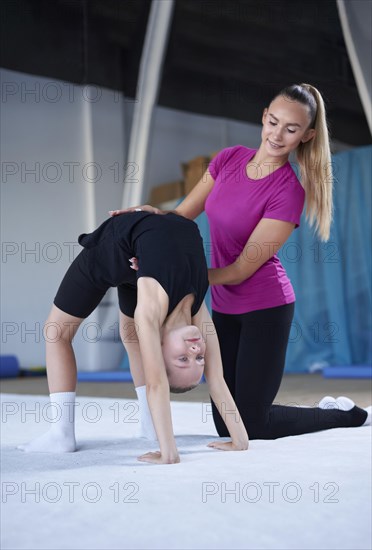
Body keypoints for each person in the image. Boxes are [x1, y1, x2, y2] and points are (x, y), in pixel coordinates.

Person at [111, 83, 370, 439]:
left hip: (266, 307)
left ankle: (344, 415)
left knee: (253, 424)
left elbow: (240, 270)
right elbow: (182, 215)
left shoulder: (287, 191)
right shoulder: (229, 158)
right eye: (274, 122)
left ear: (306, 135)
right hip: (225, 308)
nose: (277, 134)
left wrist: (179, 277)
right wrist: (147, 216)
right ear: (264, 117)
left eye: (291, 129)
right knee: (224, 422)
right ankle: (294, 413)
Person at [18, 211, 249, 463]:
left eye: (183, 358)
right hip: (141, 256)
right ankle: (147, 425)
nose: (195, 351)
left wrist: (168, 453)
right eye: (199, 358)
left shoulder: (150, 311)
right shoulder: (197, 314)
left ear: (160, 351)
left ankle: (61, 435)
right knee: (130, 336)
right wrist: (240, 439)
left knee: (56, 331)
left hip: (111, 252)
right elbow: (216, 378)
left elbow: (157, 382)